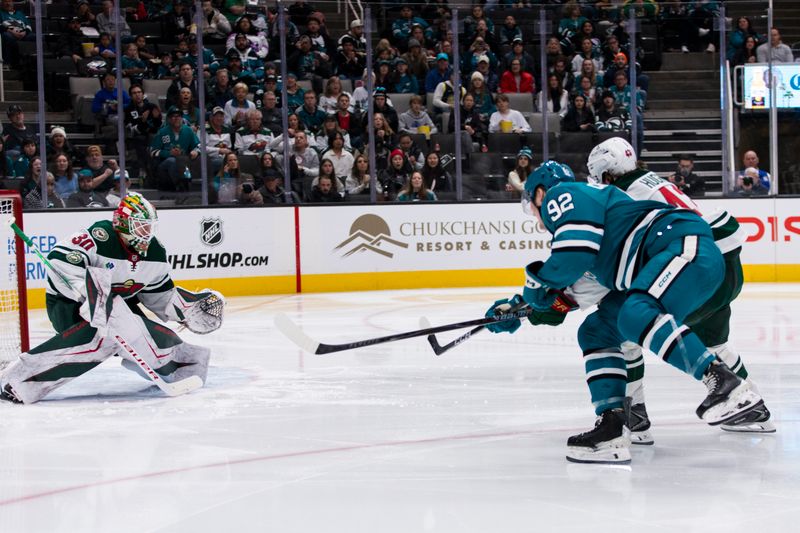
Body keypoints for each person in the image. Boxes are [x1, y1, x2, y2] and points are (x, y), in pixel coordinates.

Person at [485, 155, 765, 463]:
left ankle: (724, 382)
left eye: (532, 210)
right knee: (596, 331)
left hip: (680, 244)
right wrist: (519, 309)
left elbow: (571, 256)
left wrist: (534, 289)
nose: (539, 222)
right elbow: (570, 295)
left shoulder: (564, 194)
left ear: (540, 194)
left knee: (635, 312)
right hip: (663, 264)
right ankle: (614, 426)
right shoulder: (594, 235)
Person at [0, 192, 223, 404]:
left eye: (149, 227)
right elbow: (60, 262)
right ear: (123, 224)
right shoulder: (100, 237)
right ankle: (17, 380)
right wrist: (84, 291)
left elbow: (159, 295)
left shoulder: (155, 253)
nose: (146, 234)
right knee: (109, 322)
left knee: (141, 330)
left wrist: (185, 309)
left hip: (120, 309)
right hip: (71, 307)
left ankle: (184, 366)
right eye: (140, 226)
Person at [149, 106, 200, 191]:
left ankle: (189, 186)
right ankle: (181, 187)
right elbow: (152, 151)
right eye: (173, 116)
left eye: (178, 116)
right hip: (165, 164)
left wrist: (195, 151)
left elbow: (199, 146)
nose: (176, 118)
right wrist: (169, 153)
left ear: (181, 118)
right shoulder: (162, 132)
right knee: (172, 161)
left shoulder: (188, 131)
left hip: (184, 161)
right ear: (169, 119)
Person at [124, 84, 162, 182]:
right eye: (134, 93)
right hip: (137, 137)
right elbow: (132, 129)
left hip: (152, 135)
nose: (137, 95)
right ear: (130, 96)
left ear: (143, 94)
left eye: (139, 92)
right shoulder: (128, 109)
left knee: (152, 138)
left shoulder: (152, 106)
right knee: (140, 140)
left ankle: (151, 172)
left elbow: (158, 125)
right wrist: (143, 122)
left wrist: (156, 118)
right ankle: (145, 171)